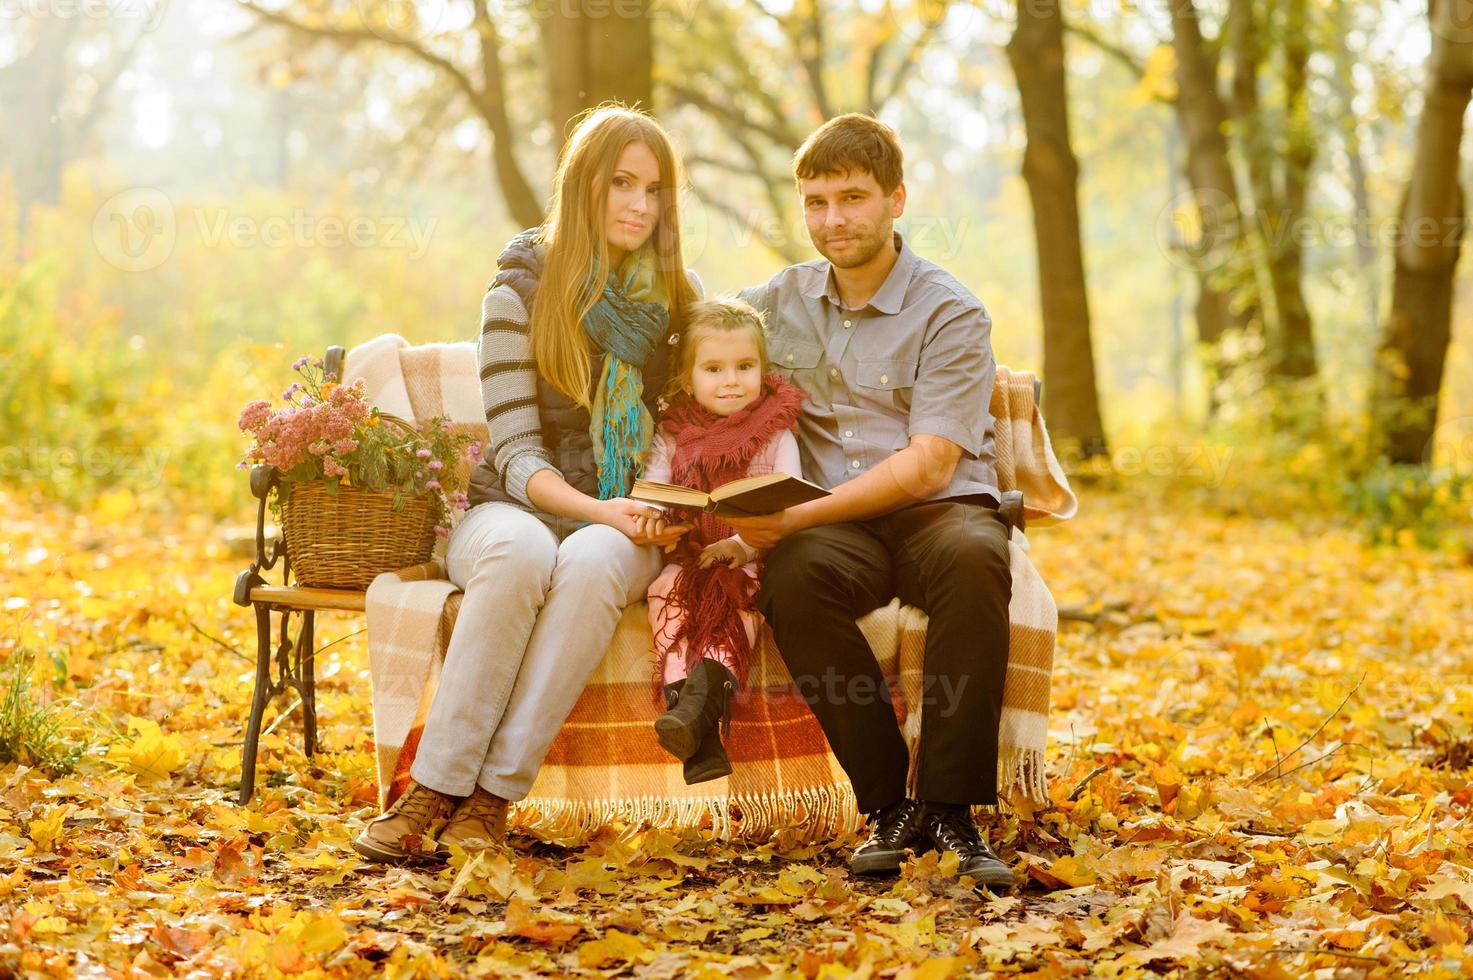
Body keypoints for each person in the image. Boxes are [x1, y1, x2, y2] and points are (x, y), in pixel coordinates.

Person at [353, 105, 698, 863]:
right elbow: (513, 452)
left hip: (632, 518)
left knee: (589, 561)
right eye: (621, 183)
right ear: (583, 187)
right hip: (517, 502)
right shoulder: (517, 292)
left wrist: (639, 503)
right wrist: (592, 506)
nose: (640, 204)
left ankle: (490, 799)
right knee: (519, 556)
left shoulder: (679, 303)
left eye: (654, 189)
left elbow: (684, 428)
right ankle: (433, 791)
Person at [724, 113, 1015, 888]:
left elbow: (928, 467)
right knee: (791, 578)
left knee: (975, 558)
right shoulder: (774, 302)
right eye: (815, 202)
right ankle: (890, 805)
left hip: (936, 510)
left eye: (851, 198)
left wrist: (792, 518)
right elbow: (690, 336)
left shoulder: (950, 310)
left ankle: (951, 806)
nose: (832, 220)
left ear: (895, 200)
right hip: (838, 527)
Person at [638, 298, 805, 784]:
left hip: (747, 558)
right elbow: (653, 485)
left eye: (745, 366)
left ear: (762, 368)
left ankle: (699, 716)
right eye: (714, 369)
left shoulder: (775, 432)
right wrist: (652, 514)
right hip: (690, 556)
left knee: (737, 605)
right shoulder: (673, 434)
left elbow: (785, 500)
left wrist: (742, 545)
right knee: (663, 594)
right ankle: (691, 721)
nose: (731, 380)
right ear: (689, 379)